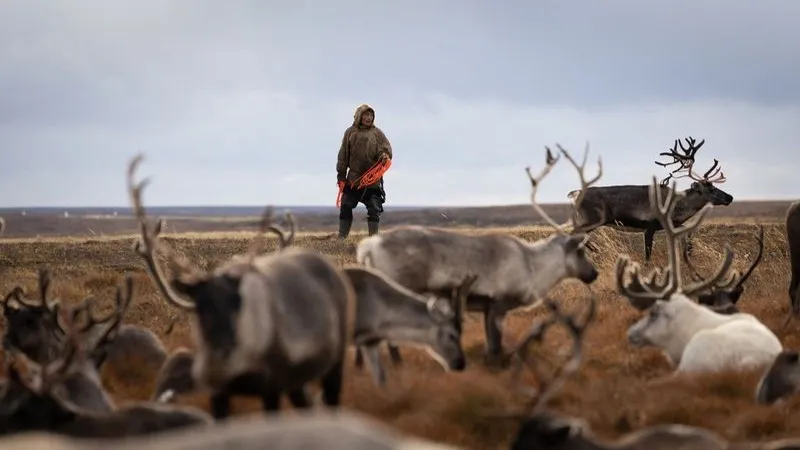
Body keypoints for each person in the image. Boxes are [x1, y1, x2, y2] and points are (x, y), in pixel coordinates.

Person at [336, 103, 393, 239]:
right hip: (353, 179)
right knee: (345, 206)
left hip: (372, 180)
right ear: (359, 116)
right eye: (366, 115)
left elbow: (384, 150)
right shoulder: (350, 132)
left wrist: (384, 156)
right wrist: (341, 177)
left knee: (374, 210)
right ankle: (342, 238)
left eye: (371, 115)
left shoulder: (377, 133)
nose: (369, 118)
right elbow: (343, 155)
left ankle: (373, 239)